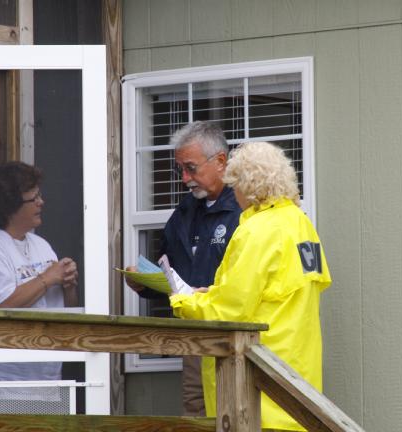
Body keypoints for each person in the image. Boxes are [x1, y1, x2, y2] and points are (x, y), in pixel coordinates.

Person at [170, 141, 332, 431]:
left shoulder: (256, 232)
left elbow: (229, 311)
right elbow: (272, 294)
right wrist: (216, 293)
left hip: (257, 393)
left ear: (248, 185)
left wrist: (183, 301)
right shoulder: (301, 224)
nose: (234, 193)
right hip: (298, 383)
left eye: (235, 185)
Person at [125, 121, 241, 416]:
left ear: (220, 161)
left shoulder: (245, 208)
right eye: (181, 170)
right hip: (192, 336)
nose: (185, 178)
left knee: (234, 408)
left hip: (235, 336)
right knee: (196, 410)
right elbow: (173, 273)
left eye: (191, 168)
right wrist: (146, 284)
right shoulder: (185, 211)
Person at [0, 161, 78, 385]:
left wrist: (68, 284)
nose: (42, 202)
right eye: (34, 198)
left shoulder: (41, 244)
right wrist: (48, 278)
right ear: (9, 206)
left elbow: (65, 308)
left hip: (45, 380)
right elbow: (1, 308)